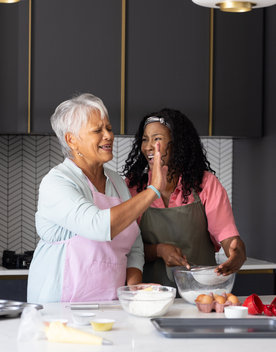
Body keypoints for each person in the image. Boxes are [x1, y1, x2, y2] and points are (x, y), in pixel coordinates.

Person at [27, 93, 166, 303]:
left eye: (108, 128)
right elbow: (97, 226)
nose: (108, 136)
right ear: (71, 140)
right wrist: (153, 190)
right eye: (97, 130)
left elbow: (134, 242)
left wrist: (133, 279)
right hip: (59, 307)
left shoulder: (117, 182)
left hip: (110, 306)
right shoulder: (57, 182)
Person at [124, 108, 246, 287]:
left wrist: (237, 254)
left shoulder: (205, 184)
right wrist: (159, 250)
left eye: (157, 139)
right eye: (144, 139)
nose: (148, 146)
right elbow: (126, 247)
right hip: (150, 296)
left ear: (177, 143)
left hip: (201, 294)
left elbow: (228, 238)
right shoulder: (133, 187)